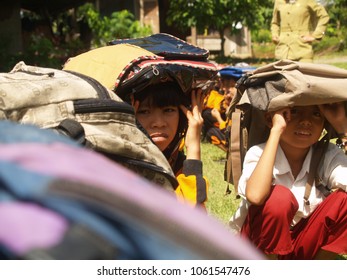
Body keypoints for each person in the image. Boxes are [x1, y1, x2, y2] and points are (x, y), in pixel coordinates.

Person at [229, 102, 347, 259]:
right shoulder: (259, 152)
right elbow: (256, 195)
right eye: (294, 112)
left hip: (303, 245)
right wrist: (276, 130)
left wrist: (342, 128)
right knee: (279, 198)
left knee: (344, 200)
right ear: (270, 119)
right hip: (258, 245)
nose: (306, 121)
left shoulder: (328, 154)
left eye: (316, 114)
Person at [130, 82, 209, 209]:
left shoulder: (177, 163)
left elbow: (194, 218)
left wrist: (193, 147)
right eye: (144, 111)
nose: (159, 123)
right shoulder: (112, 163)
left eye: (168, 110)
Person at [202, 68, 241, 151]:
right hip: (230, 129)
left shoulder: (239, 105)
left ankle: (232, 151)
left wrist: (218, 118)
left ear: (234, 84)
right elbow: (220, 105)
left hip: (236, 136)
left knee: (211, 131)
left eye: (228, 87)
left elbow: (228, 130)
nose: (223, 88)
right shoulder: (223, 96)